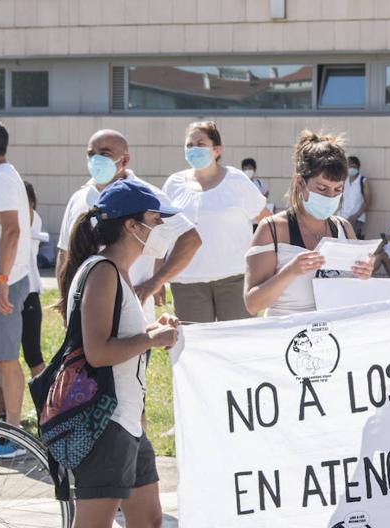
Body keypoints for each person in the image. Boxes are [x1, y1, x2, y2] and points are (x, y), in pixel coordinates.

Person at [38, 181, 184, 528]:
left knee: (146, 522)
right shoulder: (102, 273)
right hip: (105, 423)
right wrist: (153, 336)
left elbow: (120, 343)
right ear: (131, 225)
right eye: (154, 220)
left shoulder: (116, 274)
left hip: (125, 420)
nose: (159, 229)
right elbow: (99, 351)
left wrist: (150, 332)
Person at [244, 130, 374, 528]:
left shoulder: (343, 230)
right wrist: (291, 270)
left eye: (337, 190)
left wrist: (364, 276)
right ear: (300, 184)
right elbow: (253, 301)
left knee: (336, 466)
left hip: (332, 363)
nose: (329, 198)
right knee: (283, 469)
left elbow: (355, 299)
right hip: (284, 360)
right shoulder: (272, 230)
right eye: (321, 189)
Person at [56, 129, 201, 322]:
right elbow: (65, 253)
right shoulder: (79, 198)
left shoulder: (147, 196)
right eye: (91, 154)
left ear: (124, 160)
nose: (96, 160)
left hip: (133, 314)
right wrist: (67, 300)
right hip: (87, 311)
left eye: (104, 154)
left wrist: (155, 282)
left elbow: (190, 238)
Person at [164, 121, 270, 323]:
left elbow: (266, 221)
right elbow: (163, 231)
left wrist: (262, 263)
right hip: (187, 281)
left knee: (237, 346)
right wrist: (158, 276)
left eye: (201, 144)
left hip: (235, 278)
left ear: (217, 150)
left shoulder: (236, 180)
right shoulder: (173, 184)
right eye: (189, 145)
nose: (194, 149)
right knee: (194, 348)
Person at [0, 120, 31, 459]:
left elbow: (12, 232)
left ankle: (13, 434)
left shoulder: (0, 179)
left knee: (4, 360)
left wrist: (2, 282)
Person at [22, 181, 45, 377]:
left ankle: (45, 405)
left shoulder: (33, 219)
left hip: (28, 292)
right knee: (0, 356)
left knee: (33, 355)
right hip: (5, 291)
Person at [338, 155, 371, 239]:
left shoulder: (363, 181)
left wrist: (355, 216)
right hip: (343, 217)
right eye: (349, 165)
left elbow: (368, 202)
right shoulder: (344, 181)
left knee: (353, 242)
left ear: (357, 167)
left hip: (356, 219)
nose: (351, 168)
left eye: (353, 166)